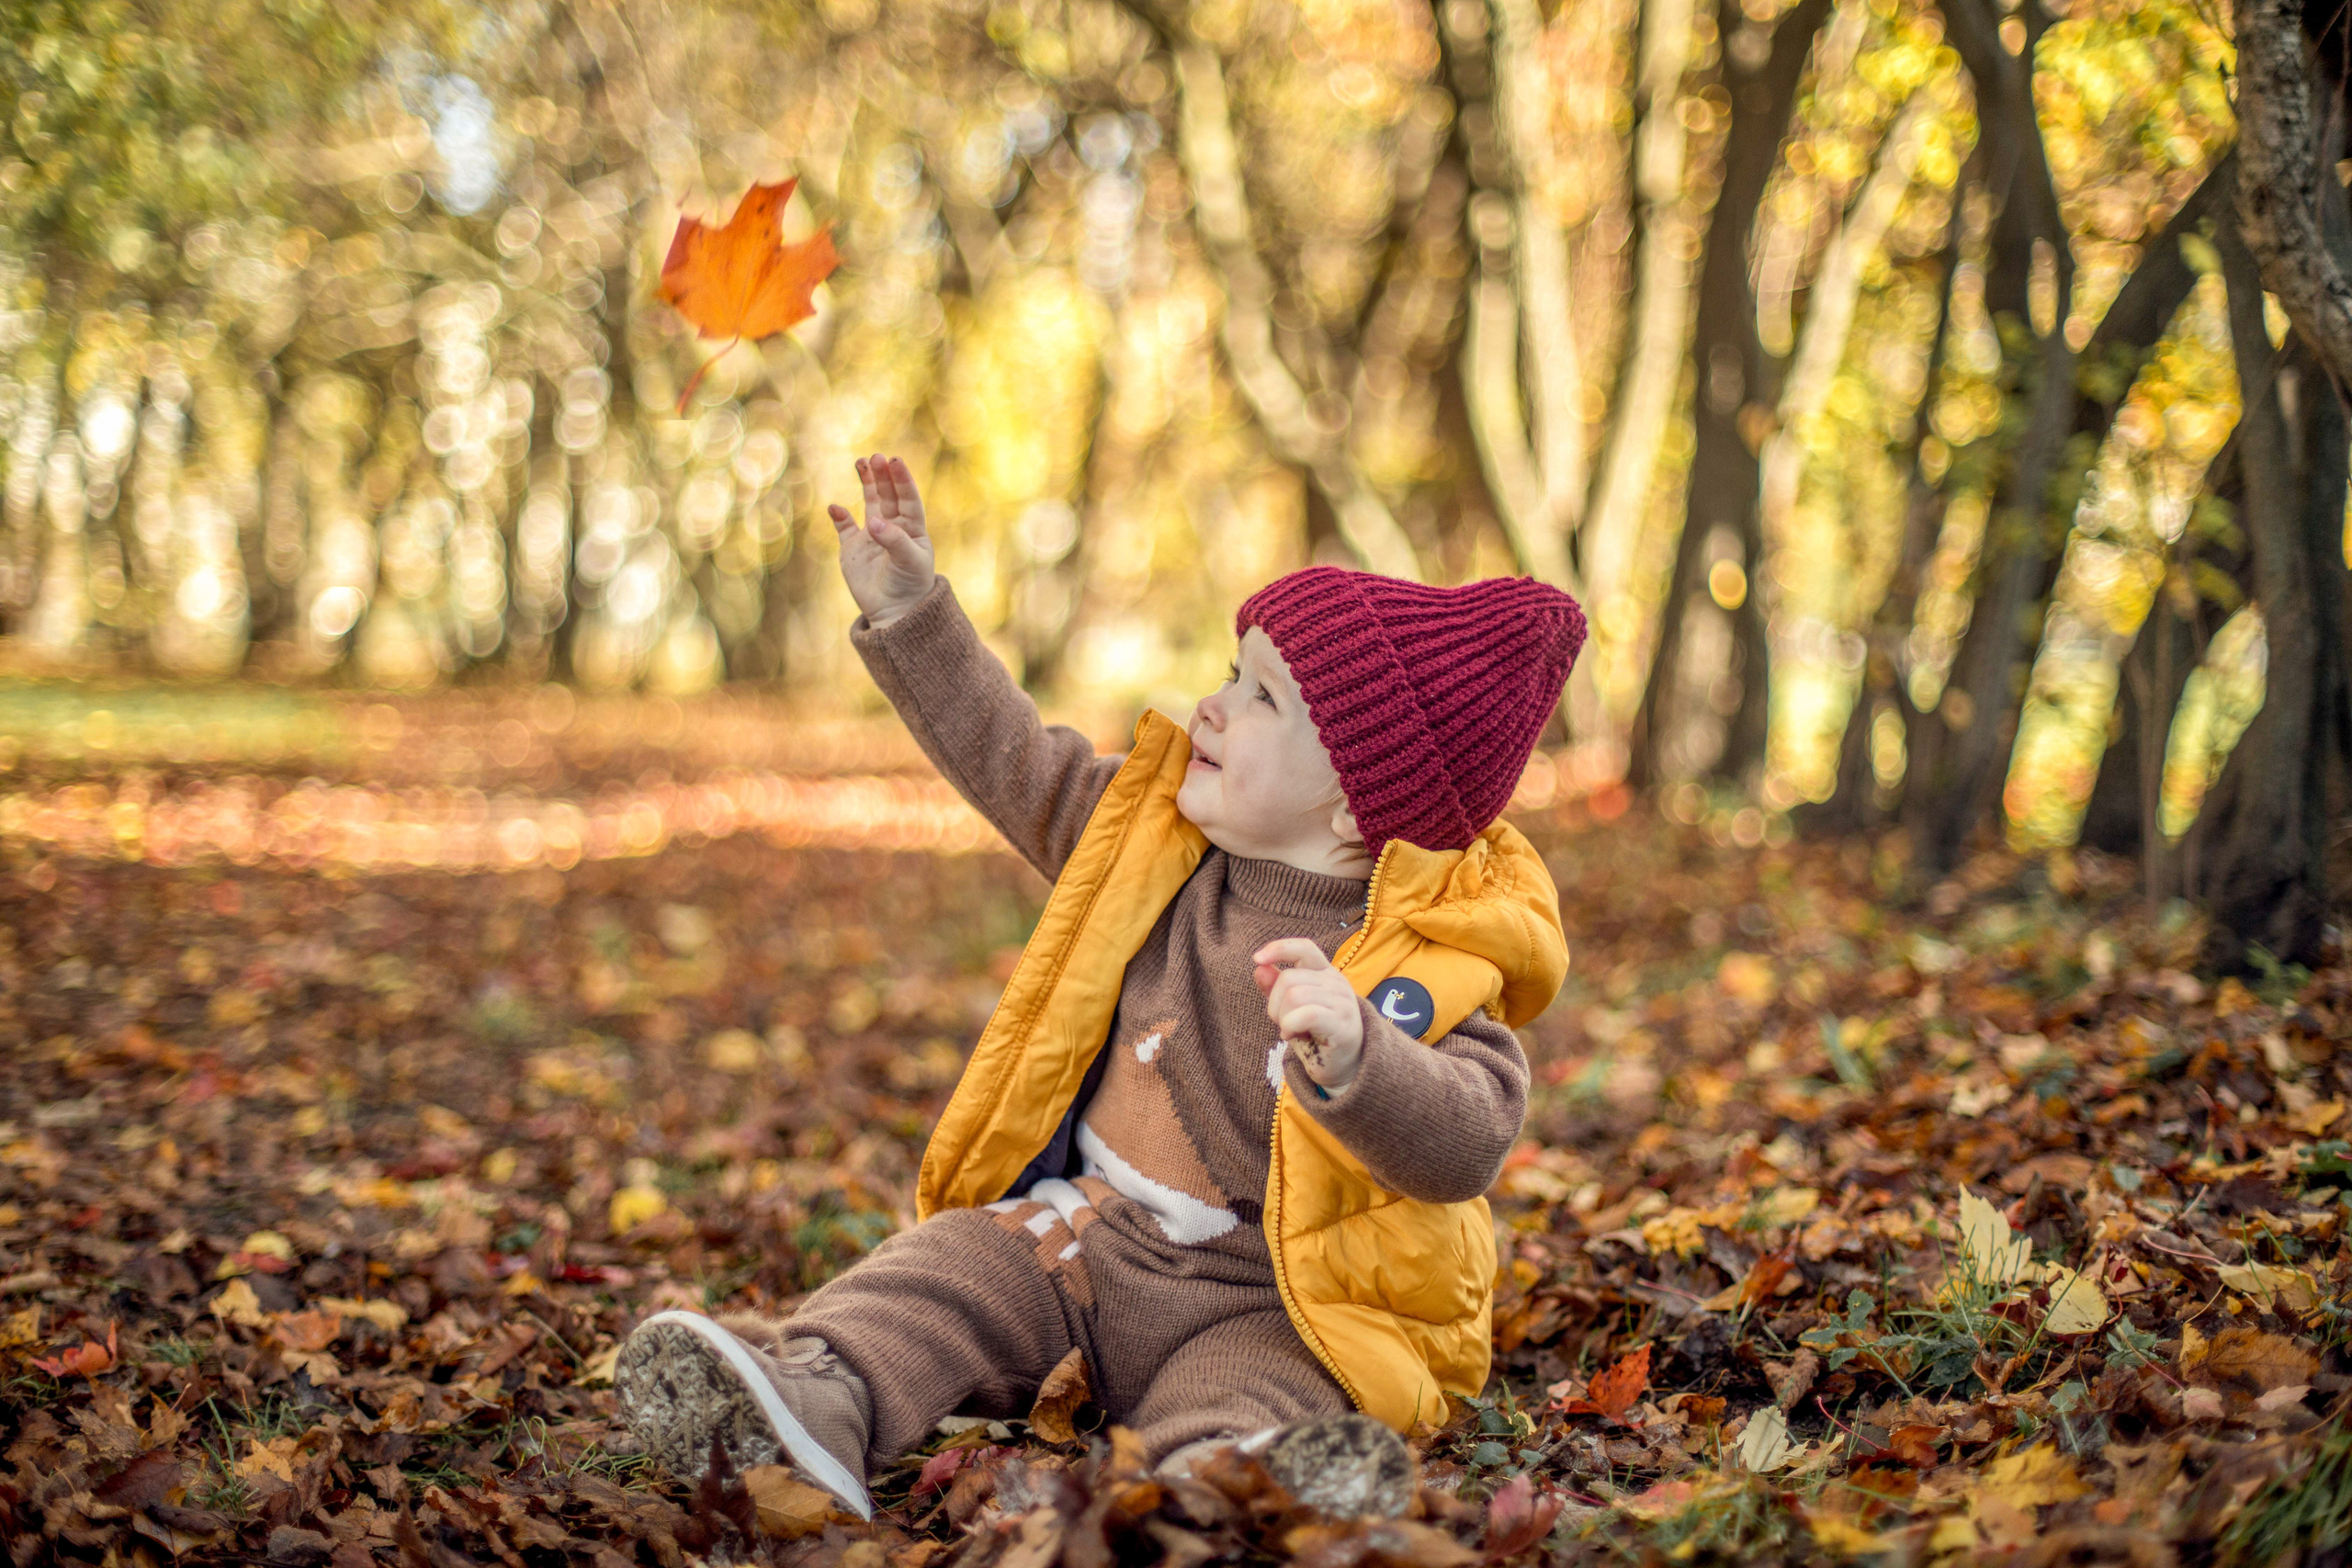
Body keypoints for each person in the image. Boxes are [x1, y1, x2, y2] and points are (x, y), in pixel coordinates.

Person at [615, 456, 1584, 1519]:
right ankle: (816, 1399)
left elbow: (1469, 1140)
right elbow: (1012, 758)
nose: (1211, 709)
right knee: (944, 1269)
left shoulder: (1426, 963)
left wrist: (1364, 1058)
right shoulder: (1152, 846)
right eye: (1230, 673)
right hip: (1084, 1240)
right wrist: (912, 613)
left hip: (1270, 1301)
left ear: (1358, 806)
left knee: (1246, 1394)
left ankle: (1221, 1490)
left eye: (1260, 699)